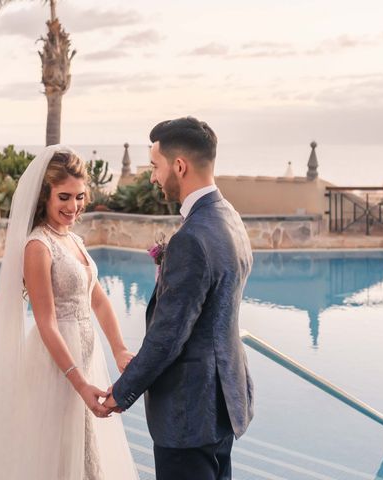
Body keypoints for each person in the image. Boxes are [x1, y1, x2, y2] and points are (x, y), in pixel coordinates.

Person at [0, 146, 139, 480]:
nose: (73, 206)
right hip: (57, 365)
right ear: (45, 195)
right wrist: (79, 383)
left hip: (88, 360)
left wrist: (119, 349)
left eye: (79, 197)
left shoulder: (75, 241)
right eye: (64, 197)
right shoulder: (37, 247)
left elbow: (100, 301)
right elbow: (46, 322)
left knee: (86, 452)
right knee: (54, 457)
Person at [104, 117, 254, 480]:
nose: (153, 177)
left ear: (180, 166)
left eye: (155, 166)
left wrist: (119, 394)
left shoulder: (191, 238)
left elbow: (169, 335)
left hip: (188, 411)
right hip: (223, 401)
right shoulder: (229, 216)